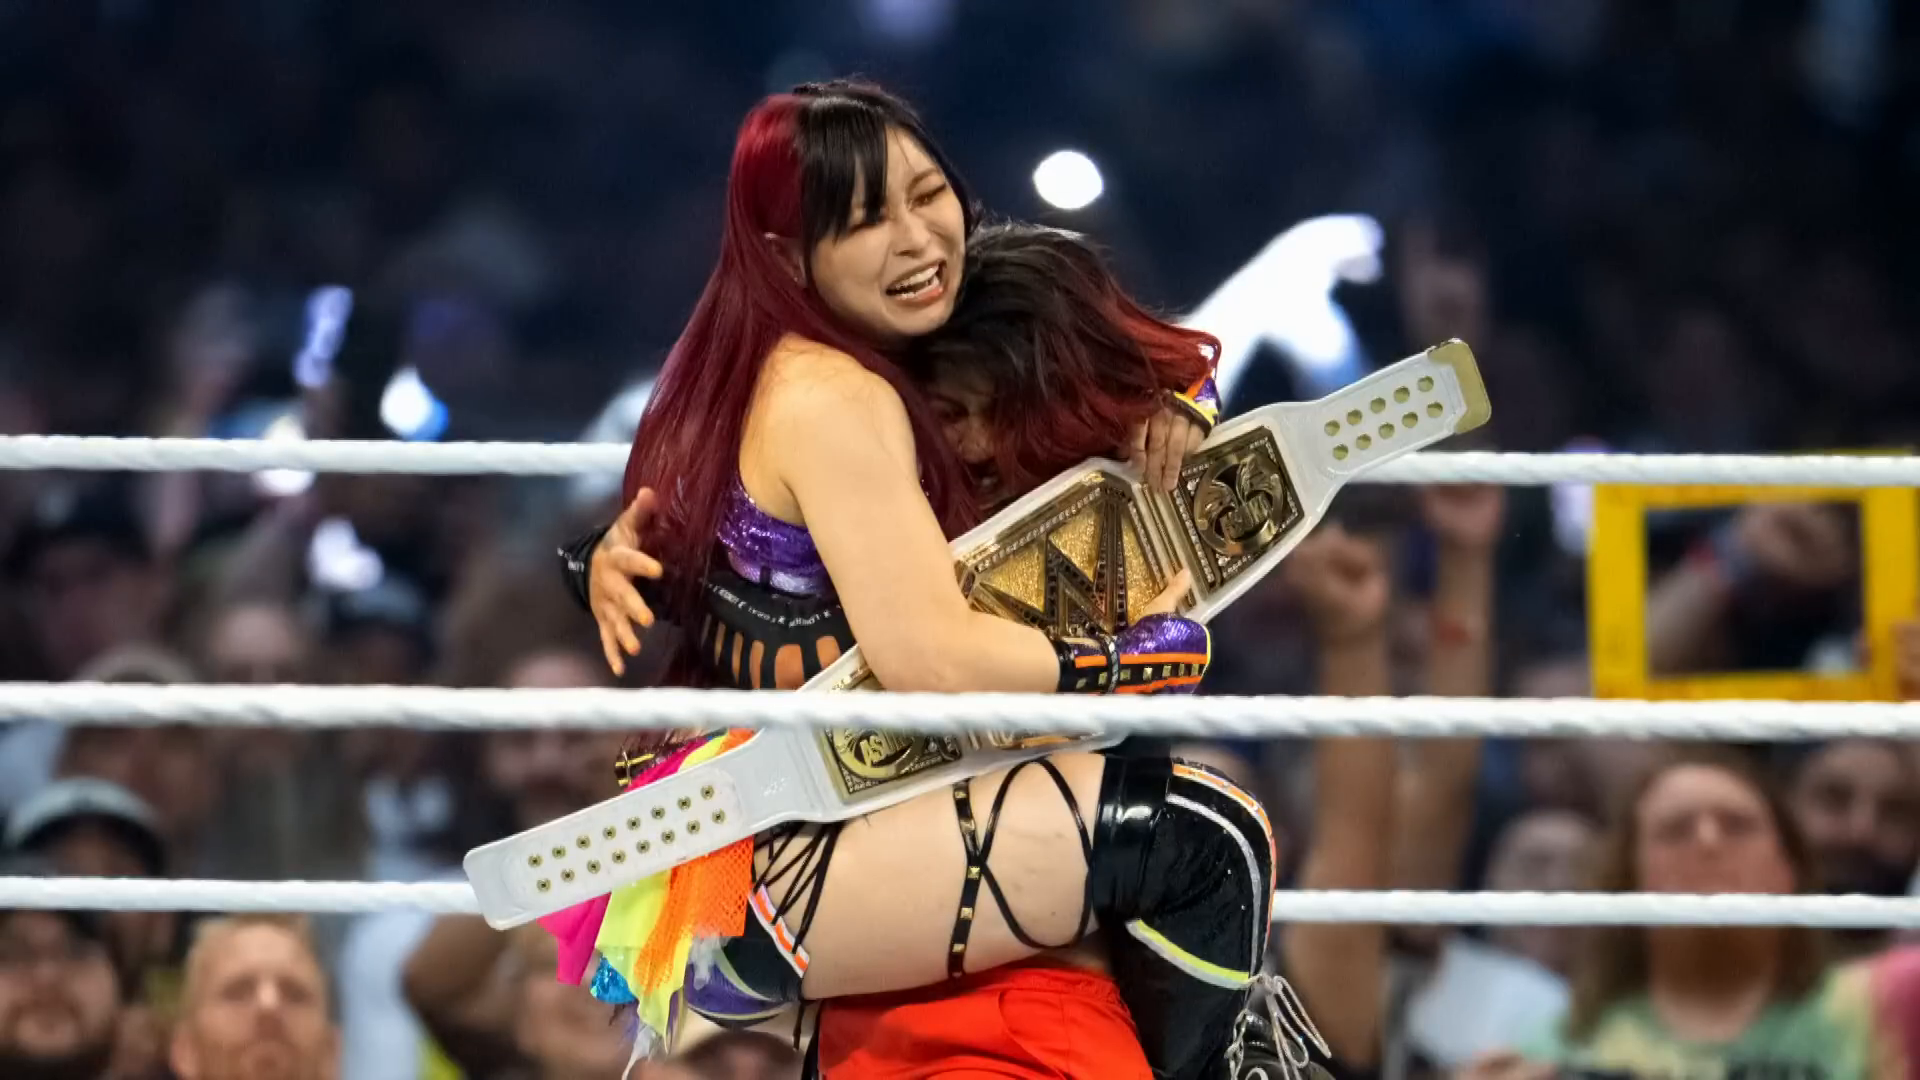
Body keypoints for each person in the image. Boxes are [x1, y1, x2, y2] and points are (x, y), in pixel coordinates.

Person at [545, 81, 1283, 1080]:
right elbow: (927, 657)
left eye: (929, 194)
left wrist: (1185, 400)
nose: (917, 238)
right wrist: (1121, 665)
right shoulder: (837, 396)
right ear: (788, 255)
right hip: (774, 853)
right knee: (1204, 838)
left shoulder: (813, 356)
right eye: (863, 221)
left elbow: (1118, 339)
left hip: (779, 829)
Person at [1458, 746, 1918, 1079]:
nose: (1708, 842)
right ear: (1630, 879)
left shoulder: (1884, 1003)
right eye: (1675, 831)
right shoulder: (1561, 1050)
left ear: (1788, 870)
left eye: (1737, 826)